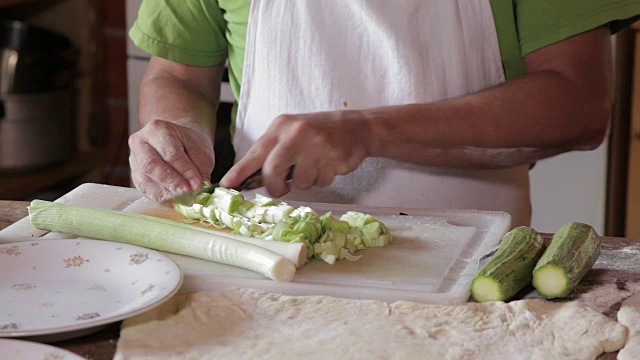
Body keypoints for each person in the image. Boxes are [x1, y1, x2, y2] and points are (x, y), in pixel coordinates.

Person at [128, 0, 640, 228]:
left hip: (468, 261)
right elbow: (177, 74)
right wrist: (177, 132)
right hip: (265, 253)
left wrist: (369, 131)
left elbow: (578, 103)